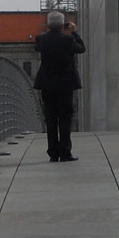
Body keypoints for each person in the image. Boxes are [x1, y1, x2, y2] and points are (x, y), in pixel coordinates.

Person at [34, 11, 85, 162]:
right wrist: (74, 32)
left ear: (48, 25)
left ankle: (53, 153)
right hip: (65, 84)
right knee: (65, 118)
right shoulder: (68, 39)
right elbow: (81, 48)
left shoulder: (41, 39)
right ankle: (65, 152)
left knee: (50, 118)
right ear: (63, 25)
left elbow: (37, 48)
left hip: (46, 84)